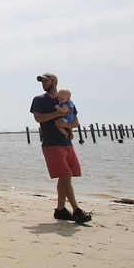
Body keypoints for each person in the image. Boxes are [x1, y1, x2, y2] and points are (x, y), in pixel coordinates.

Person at [30, 72, 91, 224]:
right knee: (65, 175)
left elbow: (76, 121)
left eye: (46, 81)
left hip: (67, 144)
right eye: (42, 81)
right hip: (51, 144)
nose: (43, 83)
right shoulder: (39, 100)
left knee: (66, 177)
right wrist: (57, 113)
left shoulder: (67, 100)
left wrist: (66, 125)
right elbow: (39, 118)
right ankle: (77, 210)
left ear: (54, 81)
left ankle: (60, 210)